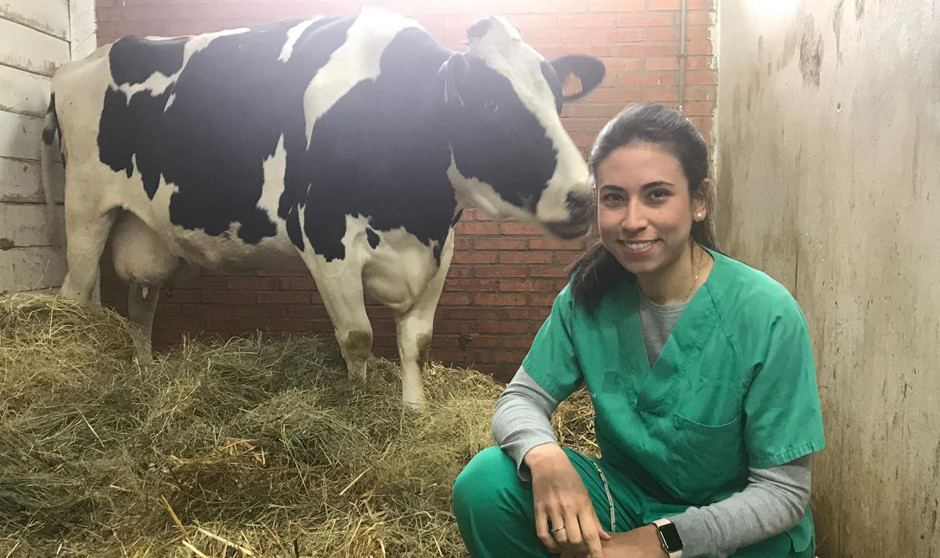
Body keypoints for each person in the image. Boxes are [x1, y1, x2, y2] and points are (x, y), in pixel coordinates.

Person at [451, 103, 826, 558]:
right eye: (613, 198)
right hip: (629, 505)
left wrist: (661, 541)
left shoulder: (766, 313)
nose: (631, 221)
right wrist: (543, 455)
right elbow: (521, 398)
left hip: (733, 527)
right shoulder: (588, 297)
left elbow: (782, 492)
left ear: (700, 200)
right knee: (488, 483)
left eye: (656, 195)